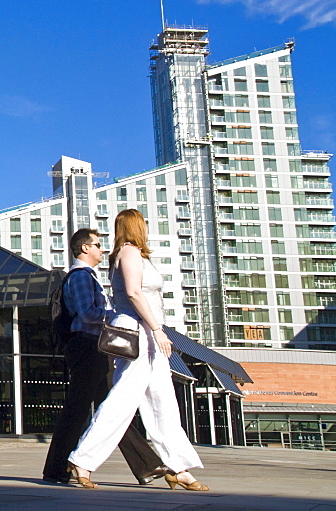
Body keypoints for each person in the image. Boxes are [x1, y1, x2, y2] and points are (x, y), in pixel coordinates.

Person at [67, 210, 208, 491]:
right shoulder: (129, 252)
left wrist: (157, 331)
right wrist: (157, 329)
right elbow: (133, 292)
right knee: (122, 399)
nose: (146, 227)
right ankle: (82, 460)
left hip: (148, 335)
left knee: (162, 402)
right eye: (143, 223)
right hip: (138, 333)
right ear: (135, 226)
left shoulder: (135, 254)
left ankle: (179, 466)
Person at [42, 227, 168, 485]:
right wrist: (117, 317)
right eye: (98, 245)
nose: (102, 250)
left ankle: (146, 465)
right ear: (85, 248)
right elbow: (87, 313)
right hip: (87, 347)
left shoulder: (90, 276)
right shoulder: (80, 277)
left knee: (111, 407)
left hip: (93, 347)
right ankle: (57, 469)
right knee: (80, 409)